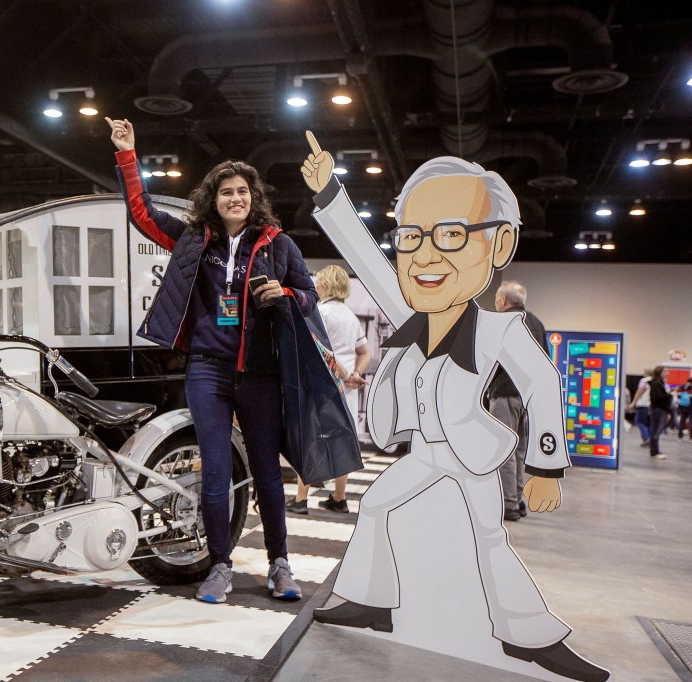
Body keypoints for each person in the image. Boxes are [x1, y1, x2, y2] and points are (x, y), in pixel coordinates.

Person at [302, 133, 608, 682]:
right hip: (424, 452)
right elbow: (364, 256)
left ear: (500, 245)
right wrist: (329, 191)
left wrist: (545, 468)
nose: (425, 253)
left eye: (451, 235)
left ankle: (532, 636)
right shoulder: (409, 310)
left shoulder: (500, 327)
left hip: (470, 456)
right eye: (413, 236)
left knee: (490, 541)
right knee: (375, 508)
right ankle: (372, 601)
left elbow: (542, 383)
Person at [106, 116, 319, 604]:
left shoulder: (278, 244)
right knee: (216, 470)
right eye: (226, 192)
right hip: (208, 369)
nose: (235, 199)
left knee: (267, 470)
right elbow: (141, 212)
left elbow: (309, 297)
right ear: (213, 198)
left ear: (253, 197)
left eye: (242, 191)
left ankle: (279, 564)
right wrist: (127, 155)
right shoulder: (194, 240)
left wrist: (283, 292)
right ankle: (219, 565)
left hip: (261, 373)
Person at [287, 265, 371, 515]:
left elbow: (323, 352)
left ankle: (301, 499)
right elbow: (365, 353)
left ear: (325, 285)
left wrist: (344, 374)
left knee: (311, 439)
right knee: (342, 441)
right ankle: (339, 497)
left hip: (323, 385)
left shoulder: (320, 312)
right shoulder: (350, 316)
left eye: (319, 282)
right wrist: (355, 374)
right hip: (347, 389)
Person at [487, 281, 547, 521]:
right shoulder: (537, 323)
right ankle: (518, 499)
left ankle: (508, 504)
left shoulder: (501, 322)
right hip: (528, 396)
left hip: (505, 392)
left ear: (503, 301)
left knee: (504, 450)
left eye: (496, 300)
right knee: (520, 450)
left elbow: (490, 361)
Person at [647, 365, 670, 459]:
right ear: (659, 372)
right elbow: (657, 397)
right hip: (658, 409)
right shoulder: (656, 383)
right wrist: (669, 395)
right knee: (656, 430)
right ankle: (654, 451)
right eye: (665, 371)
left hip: (660, 409)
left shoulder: (660, 383)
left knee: (657, 430)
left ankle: (655, 450)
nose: (667, 373)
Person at [629, 369, 653, 446]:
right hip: (651, 405)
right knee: (649, 423)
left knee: (639, 422)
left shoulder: (644, 381)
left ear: (646, 373)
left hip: (642, 404)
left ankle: (646, 438)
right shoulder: (655, 381)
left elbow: (639, 392)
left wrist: (633, 403)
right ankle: (650, 439)